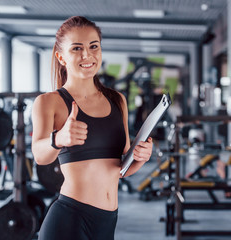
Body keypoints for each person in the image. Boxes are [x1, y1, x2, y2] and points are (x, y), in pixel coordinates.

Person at [31, 16, 153, 240]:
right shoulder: (49, 102)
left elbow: (121, 169)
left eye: (93, 46)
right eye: (76, 48)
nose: (87, 55)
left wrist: (140, 158)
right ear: (61, 57)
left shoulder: (118, 100)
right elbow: (40, 156)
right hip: (70, 220)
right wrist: (58, 139)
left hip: (107, 221)